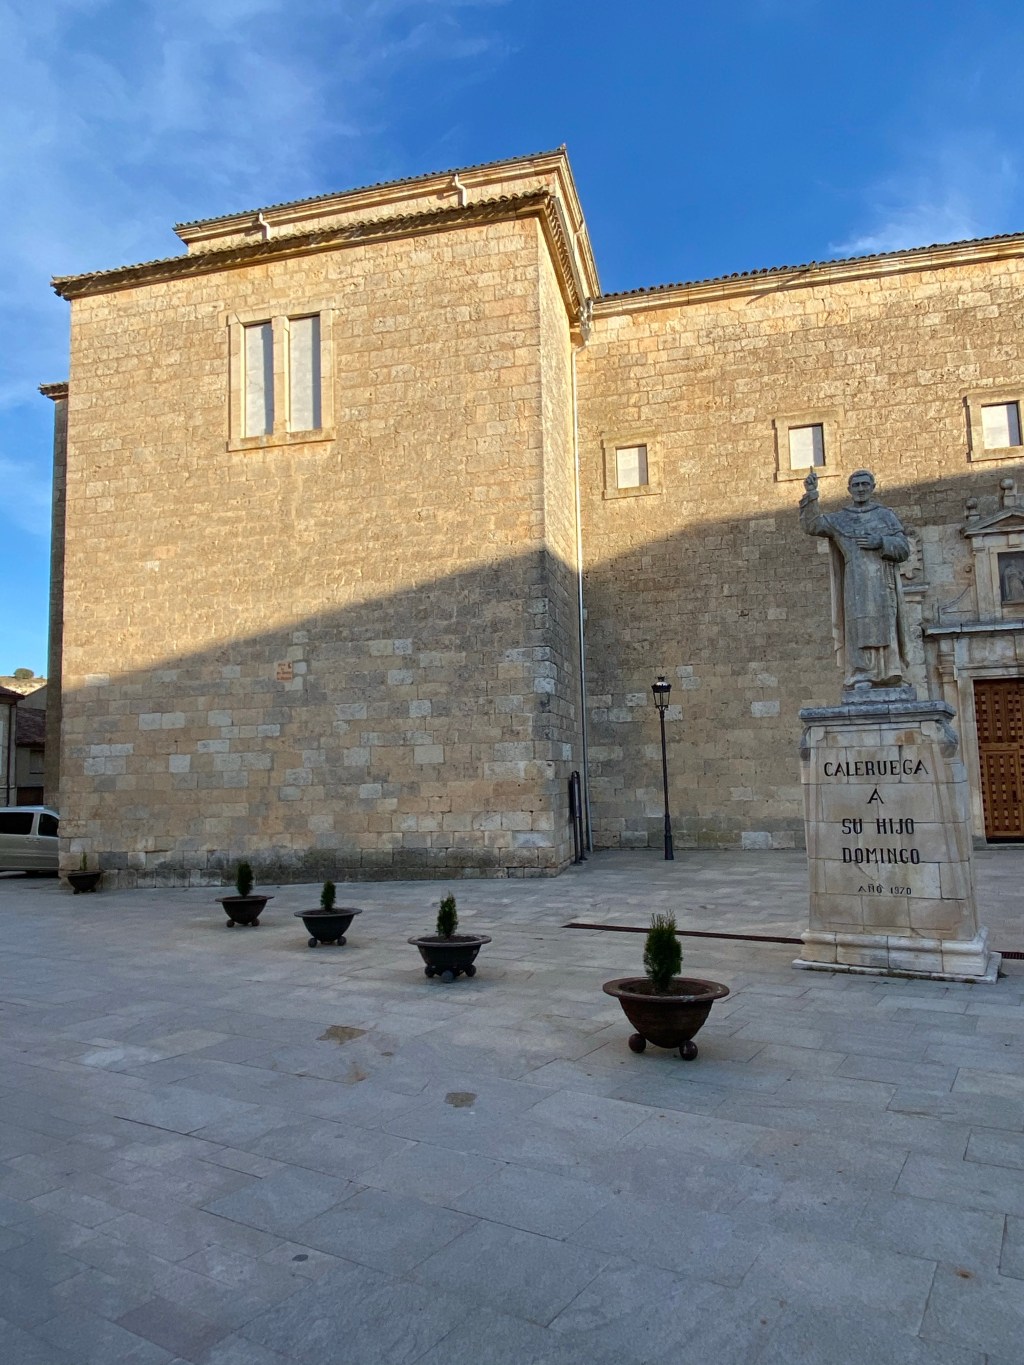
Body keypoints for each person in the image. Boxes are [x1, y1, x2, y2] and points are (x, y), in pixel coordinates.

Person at [799, 468, 910, 690]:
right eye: (856, 485)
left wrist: (880, 541)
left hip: (882, 580)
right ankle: (861, 673)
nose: (860, 489)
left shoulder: (885, 516)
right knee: (857, 626)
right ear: (849, 489)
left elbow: (904, 549)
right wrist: (811, 494)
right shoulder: (841, 519)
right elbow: (812, 525)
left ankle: (889, 671)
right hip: (855, 580)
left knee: (885, 624)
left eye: (865, 484)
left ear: (873, 487)